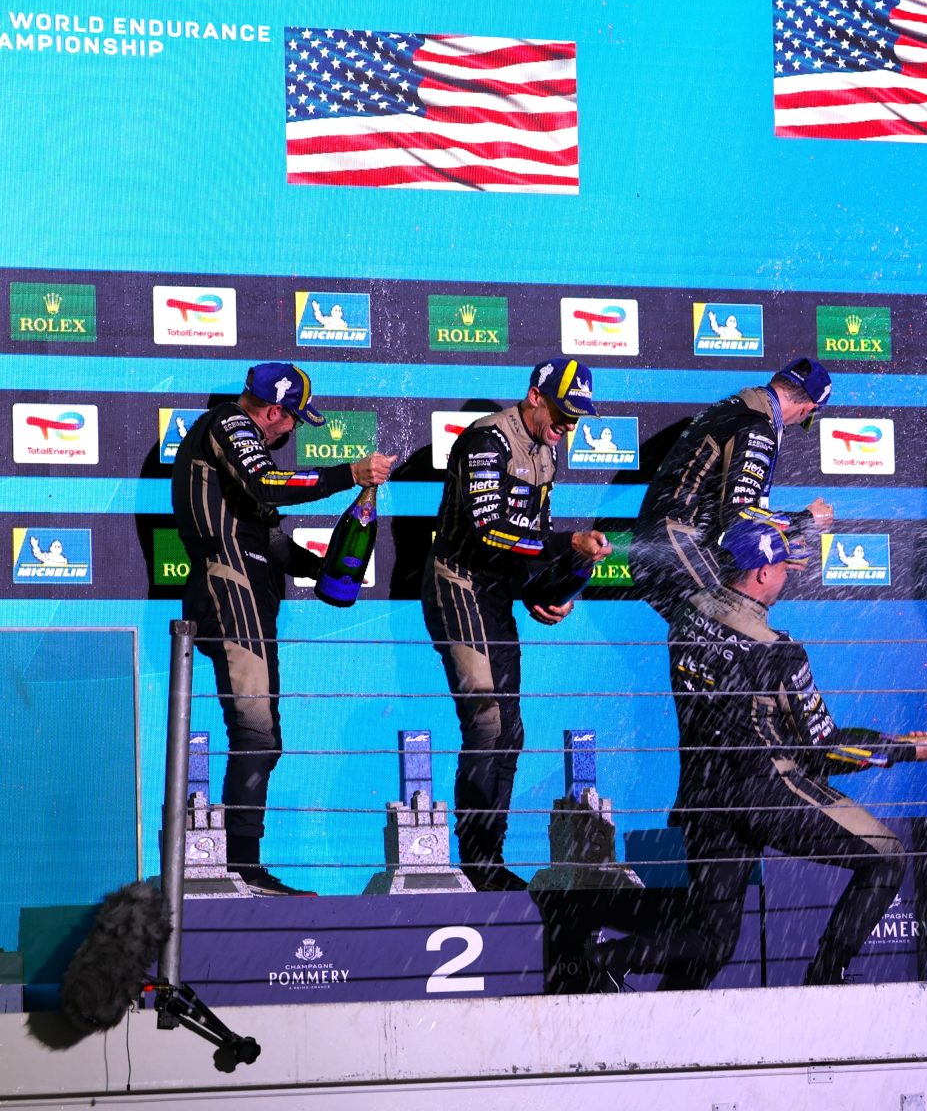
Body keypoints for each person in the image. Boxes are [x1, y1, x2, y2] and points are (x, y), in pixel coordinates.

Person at [585, 518, 927, 988]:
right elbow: (823, 750)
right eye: (783, 566)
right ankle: (825, 977)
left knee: (711, 942)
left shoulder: (688, 612)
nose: (788, 574)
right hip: (765, 796)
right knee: (887, 855)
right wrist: (902, 750)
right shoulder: (777, 651)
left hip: (702, 801)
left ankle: (604, 959)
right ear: (761, 573)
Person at [171, 362, 392, 895]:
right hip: (229, 587)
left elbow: (268, 539)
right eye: (293, 420)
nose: (292, 431)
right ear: (273, 411)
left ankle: (241, 865)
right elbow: (268, 484)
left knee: (265, 737)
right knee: (255, 731)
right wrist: (349, 474)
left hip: (248, 590)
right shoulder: (229, 423)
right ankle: (241, 869)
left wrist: (322, 569)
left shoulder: (246, 452)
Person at [423, 360, 613, 892]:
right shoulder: (486, 441)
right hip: (457, 583)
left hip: (496, 592)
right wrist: (566, 543)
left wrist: (543, 592)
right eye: (563, 412)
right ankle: (476, 864)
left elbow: (529, 540)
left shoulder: (547, 450)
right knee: (487, 723)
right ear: (534, 397)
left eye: (578, 417)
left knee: (510, 731)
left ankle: (490, 858)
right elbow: (490, 531)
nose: (569, 426)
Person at [631, 358, 834, 619]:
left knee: (704, 637)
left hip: (662, 544)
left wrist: (781, 543)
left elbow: (722, 508)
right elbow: (739, 515)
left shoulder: (739, 408)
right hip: (676, 544)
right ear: (807, 409)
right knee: (733, 625)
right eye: (807, 419)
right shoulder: (756, 425)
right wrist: (805, 520)